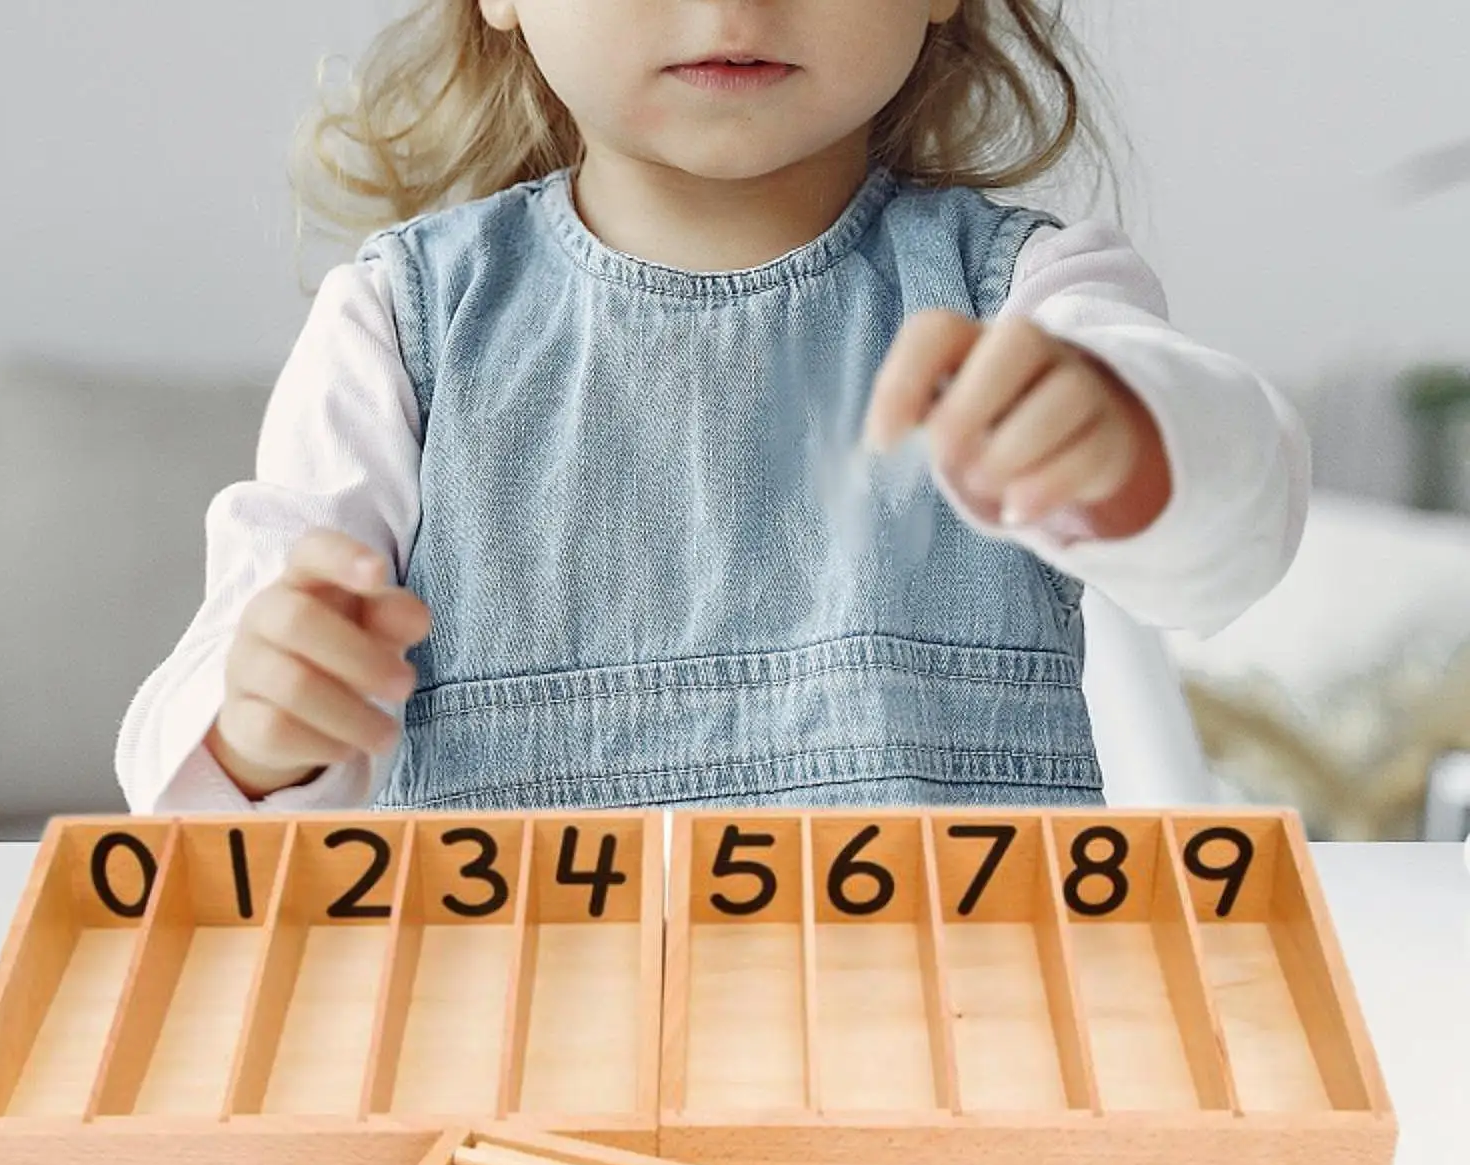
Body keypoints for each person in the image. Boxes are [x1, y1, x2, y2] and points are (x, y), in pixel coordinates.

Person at [115, 0, 1308, 817]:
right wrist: (259, 731)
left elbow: (1235, 536)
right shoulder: (395, 324)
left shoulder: (1030, 304)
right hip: (519, 1068)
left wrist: (1127, 444)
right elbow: (210, 754)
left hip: (946, 1059)